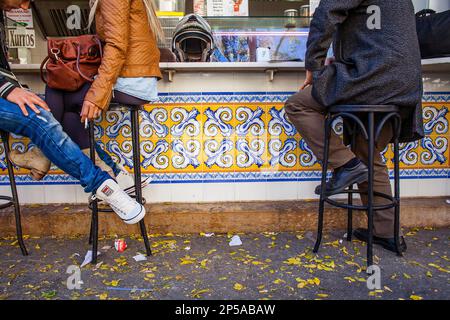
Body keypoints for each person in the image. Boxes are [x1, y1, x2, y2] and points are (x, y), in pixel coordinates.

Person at [284, 0, 424, 253]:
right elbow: (379, 36)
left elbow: (326, 13)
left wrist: (313, 67)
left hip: (373, 77)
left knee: (297, 105)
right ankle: (386, 232)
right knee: (367, 150)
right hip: (404, 85)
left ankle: (346, 166)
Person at [0, 0, 146, 225]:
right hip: (127, 76)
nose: (25, 6)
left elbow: (117, 46)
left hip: (130, 80)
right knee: (64, 109)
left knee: (59, 91)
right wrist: (8, 88)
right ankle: (111, 178)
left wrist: (10, 88)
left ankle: (46, 156)